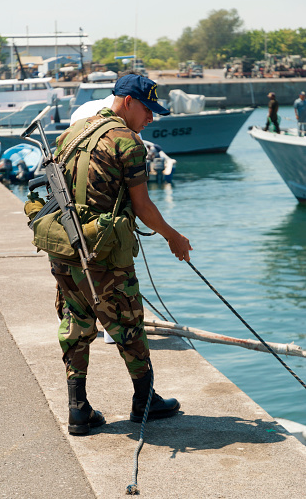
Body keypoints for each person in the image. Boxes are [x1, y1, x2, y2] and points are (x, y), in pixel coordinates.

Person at [43, 74, 193, 436]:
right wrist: (174, 237)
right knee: (128, 325)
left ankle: (78, 409)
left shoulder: (73, 132)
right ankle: (145, 401)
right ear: (128, 102)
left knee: (76, 324)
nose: (151, 119)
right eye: (148, 110)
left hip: (63, 247)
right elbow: (142, 205)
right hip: (103, 255)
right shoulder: (128, 143)